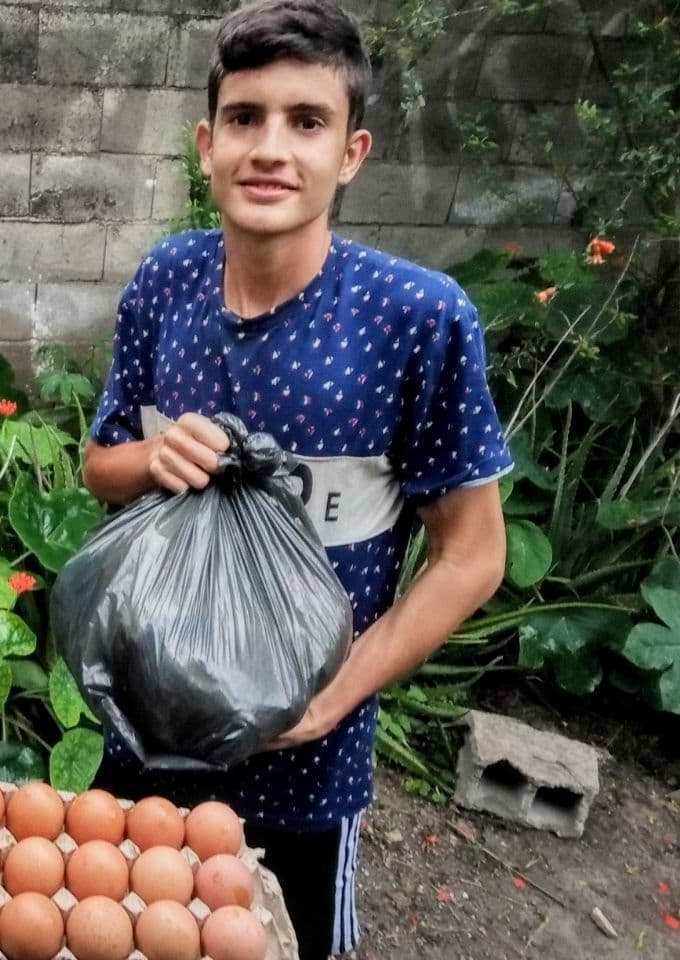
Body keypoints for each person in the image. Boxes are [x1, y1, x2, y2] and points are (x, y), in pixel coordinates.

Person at [83, 2, 511, 957]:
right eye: (245, 117)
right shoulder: (166, 283)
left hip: (304, 770)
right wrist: (150, 462)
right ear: (206, 143)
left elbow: (473, 555)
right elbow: (99, 466)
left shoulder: (415, 319)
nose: (270, 148)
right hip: (149, 728)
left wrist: (332, 697)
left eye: (306, 121)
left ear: (351, 152)